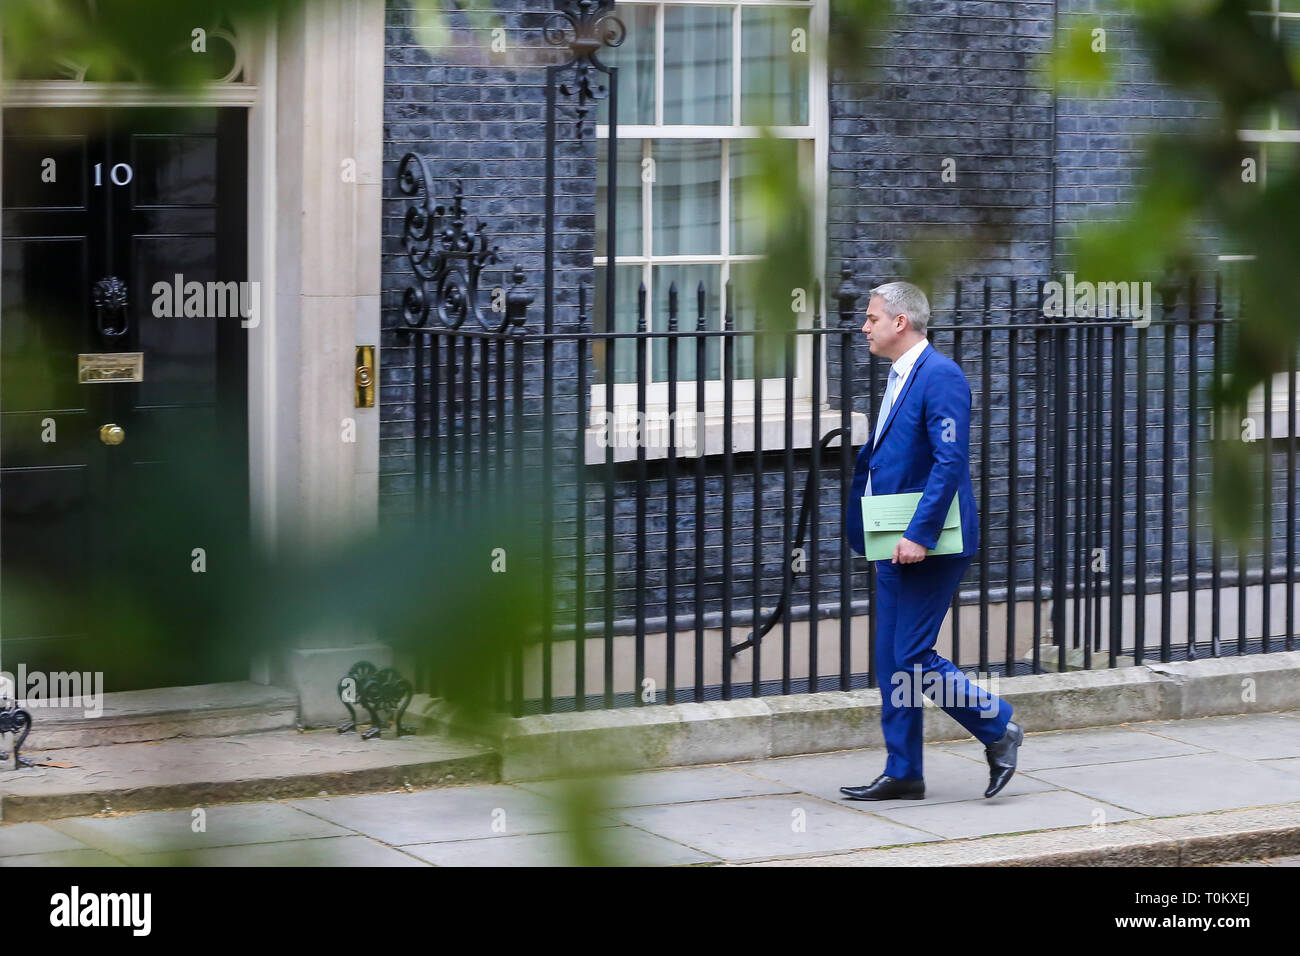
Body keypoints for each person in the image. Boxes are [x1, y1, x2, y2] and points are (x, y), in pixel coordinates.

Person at [840, 281, 1023, 801]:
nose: (864, 327)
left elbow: (950, 461)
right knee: (891, 661)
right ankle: (904, 771)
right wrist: (882, 539)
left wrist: (918, 535)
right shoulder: (901, 375)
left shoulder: (940, 375)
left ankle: (998, 725)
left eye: (872, 318)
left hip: (932, 541)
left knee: (914, 652)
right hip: (894, 541)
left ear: (900, 322)